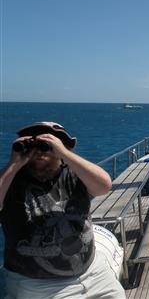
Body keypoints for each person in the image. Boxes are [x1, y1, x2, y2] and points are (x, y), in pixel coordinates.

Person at [0, 121, 125, 298]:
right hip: (39, 286)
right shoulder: (11, 181)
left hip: (93, 273)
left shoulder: (74, 175)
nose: (40, 151)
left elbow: (104, 186)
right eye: (33, 145)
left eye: (48, 145)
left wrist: (64, 153)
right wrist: (14, 164)